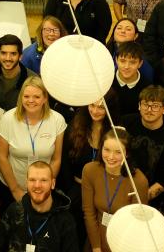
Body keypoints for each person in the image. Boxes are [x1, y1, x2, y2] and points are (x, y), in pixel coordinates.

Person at [0, 76, 67, 214]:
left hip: (42, 189)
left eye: (36, 97)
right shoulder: (8, 119)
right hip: (11, 185)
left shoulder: (57, 120)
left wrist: (46, 187)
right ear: (21, 97)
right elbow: (1, 156)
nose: (31, 101)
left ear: (45, 98)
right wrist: (15, 189)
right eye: (26, 96)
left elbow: (56, 158)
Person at [56, 94, 112, 251]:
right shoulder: (75, 126)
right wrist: (70, 190)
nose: (95, 111)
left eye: (101, 107)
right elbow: (65, 161)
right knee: (76, 233)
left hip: (103, 192)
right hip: (77, 189)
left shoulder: (115, 131)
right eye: (92, 105)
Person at [81, 128, 149, 252]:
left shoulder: (139, 181)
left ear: (127, 153)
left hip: (123, 243)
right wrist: (96, 247)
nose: (111, 157)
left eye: (118, 152)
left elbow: (136, 225)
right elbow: (89, 213)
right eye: (106, 150)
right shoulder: (90, 170)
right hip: (95, 238)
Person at [0, 161, 80, 252]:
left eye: (43, 180)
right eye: (32, 180)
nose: (37, 185)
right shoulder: (14, 211)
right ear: (27, 183)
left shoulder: (65, 220)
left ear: (53, 183)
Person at [119, 85, 164, 212]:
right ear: (139, 106)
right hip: (119, 188)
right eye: (145, 104)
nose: (149, 110)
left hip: (150, 201)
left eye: (155, 106)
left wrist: (139, 201)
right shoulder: (125, 123)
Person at [0, 34, 37, 110]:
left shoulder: (33, 80)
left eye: (13, 54)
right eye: (4, 53)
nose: (8, 58)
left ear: (20, 56)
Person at [110, 42, 151, 117]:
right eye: (122, 61)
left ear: (140, 64)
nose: (126, 66)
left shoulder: (147, 87)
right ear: (116, 60)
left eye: (132, 62)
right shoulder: (107, 80)